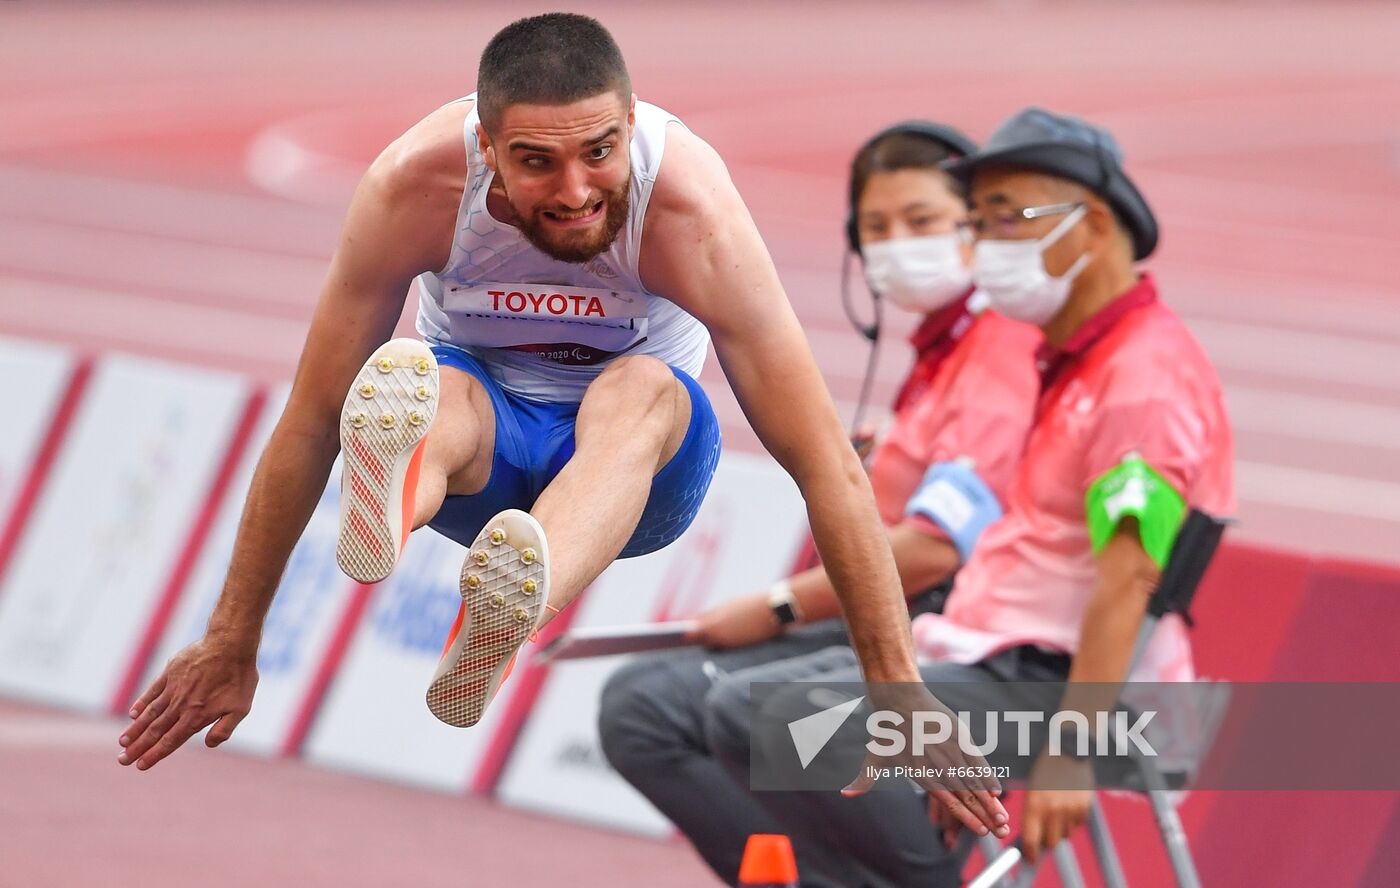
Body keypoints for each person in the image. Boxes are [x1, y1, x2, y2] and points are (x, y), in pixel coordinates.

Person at [113, 13, 1008, 839]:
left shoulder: (689, 209)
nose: (576, 191)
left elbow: (825, 465)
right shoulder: (416, 186)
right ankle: (398, 503)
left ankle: (509, 590)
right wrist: (234, 638)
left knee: (646, 386)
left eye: (600, 152)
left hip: (636, 477)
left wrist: (896, 686)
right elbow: (311, 418)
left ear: (629, 126)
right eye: (536, 161)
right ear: (486, 149)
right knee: (435, 386)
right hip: (482, 459)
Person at [702, 107, 1234, 885]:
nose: (985, 244)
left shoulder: (1141, 379)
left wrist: (1070, 753)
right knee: (734, 708)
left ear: (1088, 226)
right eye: (979, 221)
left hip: (1066, 690)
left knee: (770, 717)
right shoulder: (1075, 360)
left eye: (1007, 217)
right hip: (995, 661)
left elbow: (1132, 574)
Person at [596, 121, 1042, 886]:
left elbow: (937, 545)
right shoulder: (940, 357)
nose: (897, 244)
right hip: (905, 622)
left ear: (978, 229)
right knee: (640, 708)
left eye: (922, 221)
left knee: (757, 712)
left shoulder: (998, 351)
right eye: (876, 227)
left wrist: (776, 605)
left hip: (968, 642)